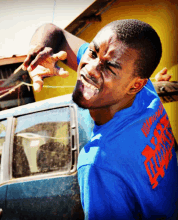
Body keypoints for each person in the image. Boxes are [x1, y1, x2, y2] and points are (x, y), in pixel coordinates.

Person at [21, 19, 178, 219]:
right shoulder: (147, 92)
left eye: (110, 67)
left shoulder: (99, 165)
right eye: (92, 53)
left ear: (135, 85)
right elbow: (54, 32)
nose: (90, 68)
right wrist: (39, 50)